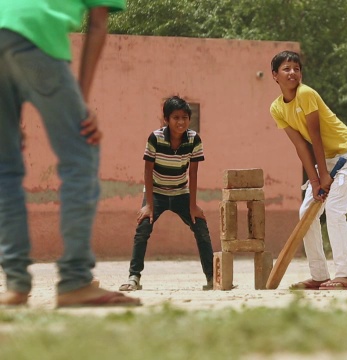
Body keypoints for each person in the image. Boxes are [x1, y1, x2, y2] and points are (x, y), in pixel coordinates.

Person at [0, 0, 141, 307]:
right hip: (36, 35)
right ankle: (75, 281)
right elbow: (98, 22)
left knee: (5, 168)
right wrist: (82, 103)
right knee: (81, 153)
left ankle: (15, 285)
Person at [269, 50, 347, 290]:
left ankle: (345, 275)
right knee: (306, 213)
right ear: (274, 75)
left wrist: (324, 176)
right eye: (286, 69)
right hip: (327, 160)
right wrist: (315, 181)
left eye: (297, 68)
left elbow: (316, 136)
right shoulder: (277, 109)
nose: (293, 73)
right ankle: (320, 275)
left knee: (334, 209)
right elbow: (301, 145)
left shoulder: (306, 94)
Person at [119, 96, 214, 291]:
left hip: (181, 191)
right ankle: (133, 277)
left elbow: (193, 172)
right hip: (156, 192)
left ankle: (212, 278)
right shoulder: (155, 138)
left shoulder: (194, 139)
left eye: (185, 117)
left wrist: (193, 206)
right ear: (166, 119)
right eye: (176, 117)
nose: (181, 122)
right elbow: (147, 169)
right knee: (143, 228)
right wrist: (149, 205)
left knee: (201, 228)